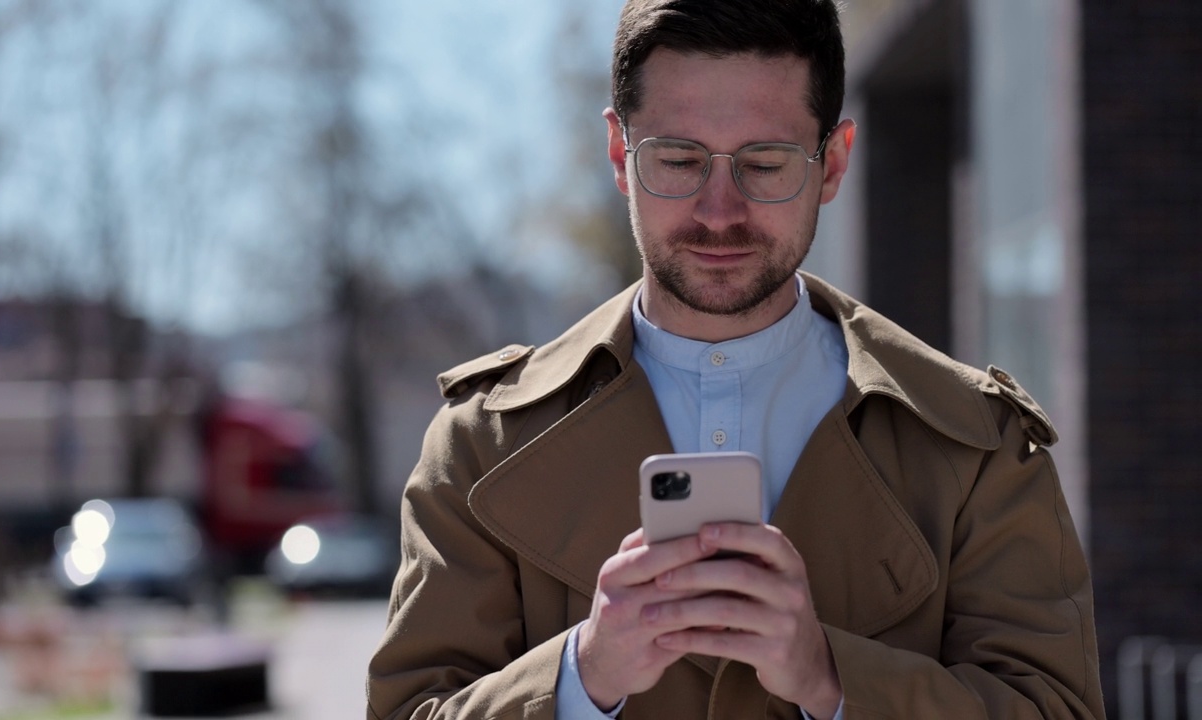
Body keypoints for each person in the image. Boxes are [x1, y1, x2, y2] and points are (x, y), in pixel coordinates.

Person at [367, 0, 1104, 717]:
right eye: (679, 159)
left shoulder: (978, 445)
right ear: (622, 155)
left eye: (766, 162)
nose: (720, 211)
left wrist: (832, 680)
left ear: (834, 163)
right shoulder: (480, 444)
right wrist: (582, 674)